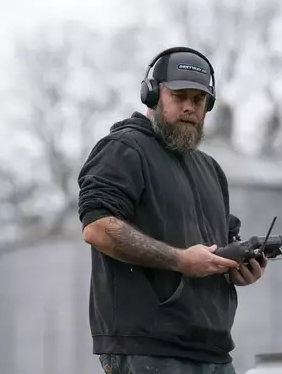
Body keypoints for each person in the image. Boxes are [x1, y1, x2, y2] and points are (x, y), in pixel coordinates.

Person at [76, 47, 268, 374]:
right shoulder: (125, 148)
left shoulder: (211, 170)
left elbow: (217, 247)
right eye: (179, 96)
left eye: (199, 99)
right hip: (147, 350)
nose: (189, 107)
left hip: (214, 351)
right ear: (152, 95)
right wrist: (181, 260)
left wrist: (237, 268)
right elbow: (97, 228)